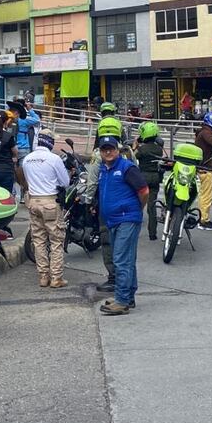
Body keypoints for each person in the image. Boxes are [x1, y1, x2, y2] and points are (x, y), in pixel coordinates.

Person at [96, 135, 149, 316]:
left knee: (120, 259)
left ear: (118, 150)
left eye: (111, 148)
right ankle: (128, 296)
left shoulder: (127, 168)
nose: (108, 152)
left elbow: (144, 191)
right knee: (127, 259)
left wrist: (136, 209)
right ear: (100, 152)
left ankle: (121, 300)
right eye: (104, 149)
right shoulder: (104, 169)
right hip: (113, 220)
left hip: (127, 218)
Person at [86, 116, 133, 291]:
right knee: (124, 244)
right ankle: (125, 279)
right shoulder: (127, 151)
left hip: (107, 204)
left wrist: (88, 201)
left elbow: (92, 181)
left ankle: (114, 278)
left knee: (107, 240)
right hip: (126, 205)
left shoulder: (100, 154)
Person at [21, 131, 71, 289]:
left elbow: (27, 181)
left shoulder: (27, 159)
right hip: (50, 202)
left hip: (33, 201)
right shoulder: (54, 159)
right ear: (50, 142)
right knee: (56, 240)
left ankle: (43, 277)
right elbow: (65, 182)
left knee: (39, 240)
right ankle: (56, 278)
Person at [134, 121, 166, 240]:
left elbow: (132, 157)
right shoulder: (159, 149)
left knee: (138, 205)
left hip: (143, 179)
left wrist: (135, 146)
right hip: (155, 178)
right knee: (151, 207)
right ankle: (152, 234)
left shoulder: (142, 150)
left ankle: (134, 230)